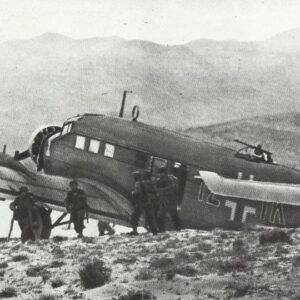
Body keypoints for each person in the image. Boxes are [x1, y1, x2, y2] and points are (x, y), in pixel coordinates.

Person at [129, 171, 158, 235]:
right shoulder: (150, 183)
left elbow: (137, 192)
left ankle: (135, 231)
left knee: (134, 217)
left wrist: (132, 193)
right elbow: (155, 192)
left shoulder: (138, 183)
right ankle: (154, 231)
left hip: (140, 203)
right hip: (148, 202)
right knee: (150, 217)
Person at [156, 167, 181, 232]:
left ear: (164, 173)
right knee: (160, 215)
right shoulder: (162, 179)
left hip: (171, 201)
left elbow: (172, 189)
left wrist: (161, 191)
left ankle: (178, 228)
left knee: (173, 215)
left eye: (161, 173)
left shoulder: (170, 180)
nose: (159, 175)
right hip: (165, 201)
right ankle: (161, 229)